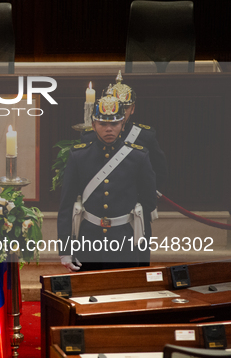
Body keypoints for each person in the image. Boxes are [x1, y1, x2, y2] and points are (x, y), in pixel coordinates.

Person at [58, 96, 157, 272]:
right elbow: (66, 206)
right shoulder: (78, 156)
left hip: (125, 241)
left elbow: (148, 203)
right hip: (88, 240)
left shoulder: (138, 157)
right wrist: (65, 251)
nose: (109, 129)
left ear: (123, 125)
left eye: (115, 123)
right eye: (103, 124)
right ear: (93, 124)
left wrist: (143, 250)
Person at [81, 71, 167, 266]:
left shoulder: (144, 135)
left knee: (136, 264)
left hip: (133, 212)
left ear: (132, 109)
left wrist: (145, 198)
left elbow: (159, 170)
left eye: (125, 107)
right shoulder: (91, 137)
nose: (121, 110)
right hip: (100, 216)